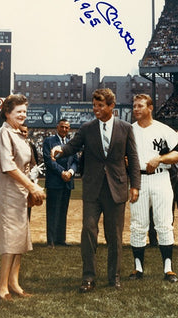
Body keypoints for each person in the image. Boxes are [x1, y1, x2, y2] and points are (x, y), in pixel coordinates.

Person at [51, 88, 140, 292]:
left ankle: (113, 277)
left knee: (115, 236)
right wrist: (60, 150)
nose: (96, 109)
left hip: (116, 188)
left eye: (100, 105)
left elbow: (133, 158)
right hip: (93, 189)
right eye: (94, 105)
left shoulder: (126, 128)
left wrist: (135, 185)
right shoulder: (87, 128)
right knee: (89, 232)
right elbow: (72, 147)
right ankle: (88, 277)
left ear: (111, 106)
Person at [0, 94, 46, 300]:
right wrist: (31, 186)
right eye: (18, 112)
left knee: (19, 237)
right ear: (7, 113)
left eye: (25, 111)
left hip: (21, 190)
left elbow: (28, 164)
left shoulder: (19, 133)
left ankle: (14, 282)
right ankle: (1, 284)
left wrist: (32, 184)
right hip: (8, 190)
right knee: (10, 238)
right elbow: (8, 166)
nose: (23, 115)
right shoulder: (2, 133)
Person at [128, 94, 178, 283]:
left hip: (161, 177)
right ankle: (138, 268)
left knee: (164, 223)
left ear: (150, 108)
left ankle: (168, 269)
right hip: (138, 179)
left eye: (140, 106)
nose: (136, 109)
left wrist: (160, 158)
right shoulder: (129, 130)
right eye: (134, 106)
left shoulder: (163, 129)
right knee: (138, 224)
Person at [43, 119, 79, 247]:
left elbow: (75, 161)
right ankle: (51, 240)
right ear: (57, 127)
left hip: (67, 181)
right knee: (52, 211)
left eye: (67, 127)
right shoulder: (49, 141)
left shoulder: (71, 143)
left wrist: (70, 172)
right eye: (62, 127)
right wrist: (62, 172)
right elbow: (49, 160)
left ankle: (60, 239)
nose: (64, 129)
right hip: (55, 181)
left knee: (63, 211)